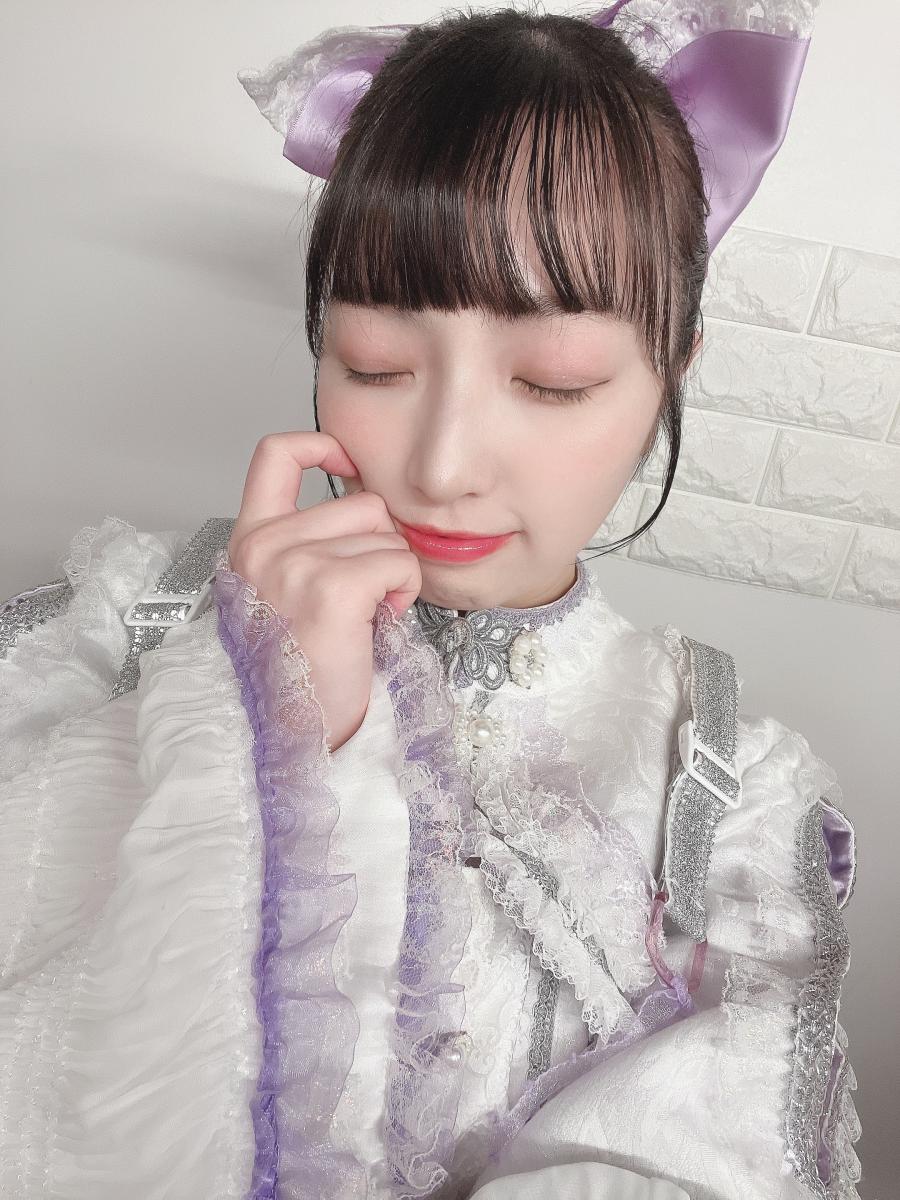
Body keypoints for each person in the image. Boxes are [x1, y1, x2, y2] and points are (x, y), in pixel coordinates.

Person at [0, 4, 862, 1199]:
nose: (443, 465)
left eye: (552, 382)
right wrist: (267, 723)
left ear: (671, 368)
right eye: (377, 366)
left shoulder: (727, 788)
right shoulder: (117, 626)